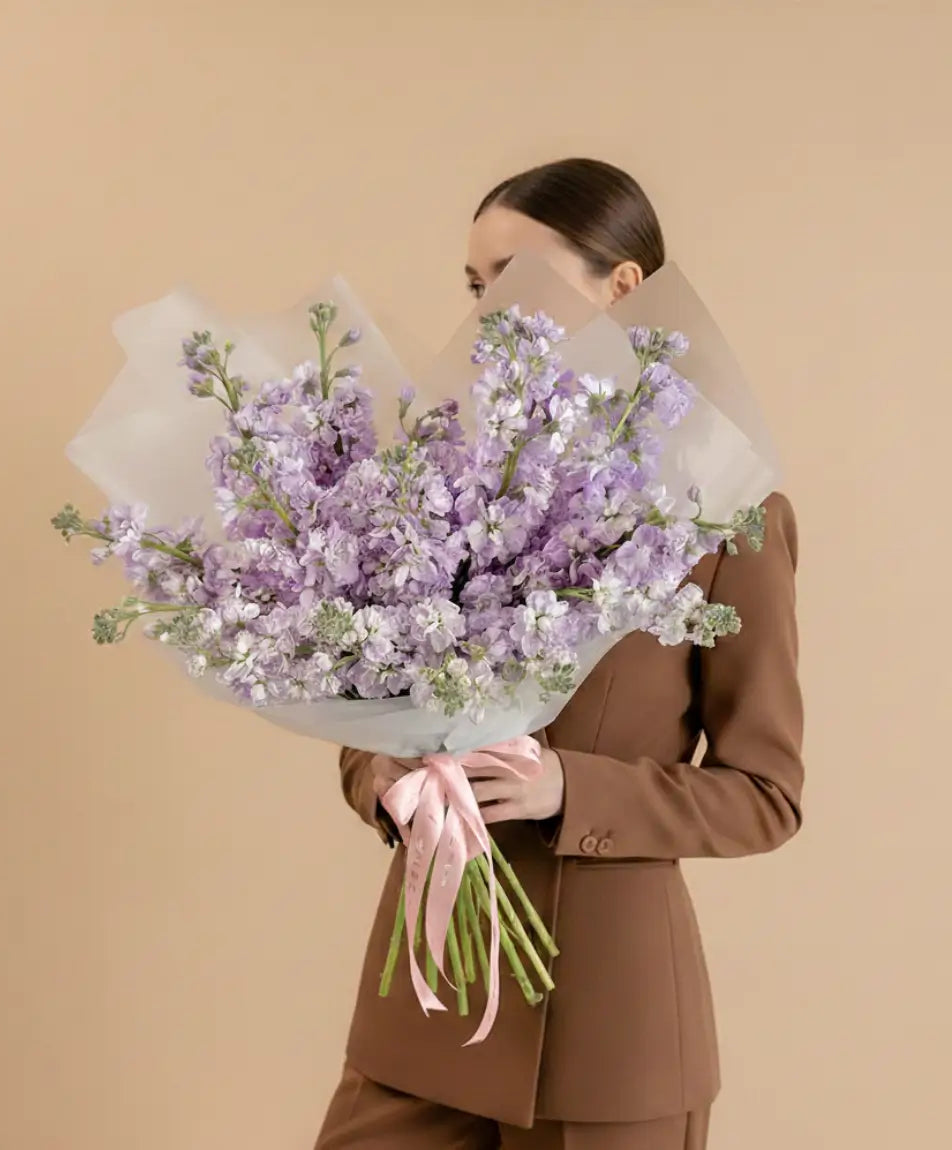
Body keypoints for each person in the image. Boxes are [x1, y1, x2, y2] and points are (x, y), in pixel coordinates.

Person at [313, 158, 804, 1150]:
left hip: (610, 1027)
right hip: (431, 998)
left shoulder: (728, 515)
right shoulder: (442, 484)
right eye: (474, 283)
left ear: (621, 286)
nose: (487, 309)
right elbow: (370, 713)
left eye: (514, 277)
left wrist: (567, 789)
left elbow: (766, 794)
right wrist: (387, 778)